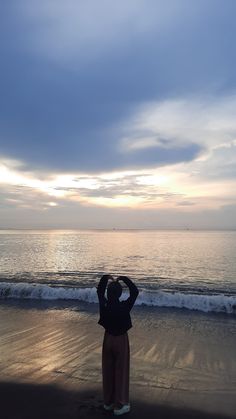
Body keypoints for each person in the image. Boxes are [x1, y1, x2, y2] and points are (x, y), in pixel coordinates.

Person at [97, 274, 139, 416]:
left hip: (107, 339)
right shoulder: (124, 306)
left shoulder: (104, 304)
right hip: (121, 340)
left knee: (108, 370)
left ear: (108, 293)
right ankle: (120, 405)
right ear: (120, 293)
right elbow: (135, 292)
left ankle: (108, 402)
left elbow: (99, 291)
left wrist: (105, 278)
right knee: (121, 372)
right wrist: (124, 279)